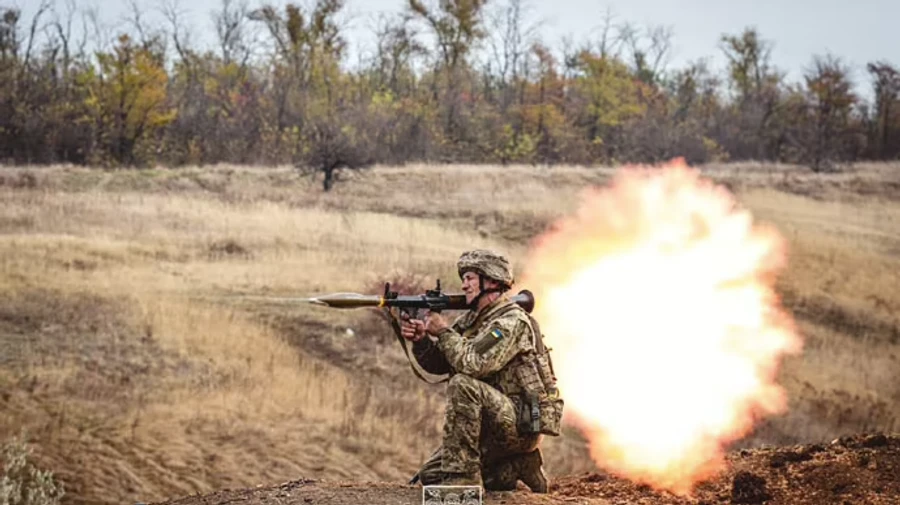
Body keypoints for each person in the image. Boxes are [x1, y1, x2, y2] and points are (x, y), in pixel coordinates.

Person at [397, 249, 564, 493]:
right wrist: (422, 340)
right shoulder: (470, 322)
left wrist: (443, 332)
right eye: (463, 278)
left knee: (462, 384)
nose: (464, 285)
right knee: (431, 474)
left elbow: (474, 363)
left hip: (519, 422)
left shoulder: (510, 322)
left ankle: (462, 485)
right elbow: (440, 365)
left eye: (470, 278)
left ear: (492, 281)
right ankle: (514, 467)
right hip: (490, 427)